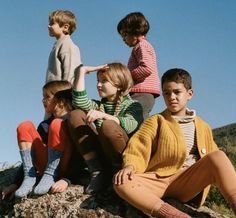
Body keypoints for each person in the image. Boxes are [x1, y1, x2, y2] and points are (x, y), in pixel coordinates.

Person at [113, 68, 236, 217]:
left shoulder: (204, 127)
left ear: (189, 94)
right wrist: (130, 166)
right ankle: (173, 215)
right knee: (122, 181)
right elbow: (137, 147)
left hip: (188, 183)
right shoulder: (156, 121)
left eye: (177, 92)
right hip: (158, 181)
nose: (172, 97)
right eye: (166, 93)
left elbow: (215, 164)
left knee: (218, 156)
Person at [68, 63, 144, 194]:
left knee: (108, 125)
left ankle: (116, 173)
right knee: (76, 115)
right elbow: (78, 101)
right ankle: (97, 171)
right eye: (98, 80)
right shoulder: (98, 105)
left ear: (119, 84)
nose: (98, 85)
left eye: (104, 81)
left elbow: (130, 124)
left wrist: (104, 116)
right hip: (102, 155)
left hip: (123, 155)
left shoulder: (133, 105)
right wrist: (81, 71)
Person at [11, 81, 74, 198]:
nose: (43, 100)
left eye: (47, 97)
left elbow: (80, 156)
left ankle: (52, 174)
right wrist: (16, 183)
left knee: (57, 124)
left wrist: (67, 179)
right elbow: (31, 154)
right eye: (43, 97)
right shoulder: (44, 125)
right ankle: (29, 177)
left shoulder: (74, 121)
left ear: (61, 100)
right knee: (25, 126)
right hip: (45, 169)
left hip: (65, 166)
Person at [117, 12, 161, 119]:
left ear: (134, 31)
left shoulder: (142, 46)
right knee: (136, 116)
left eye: (124, 35)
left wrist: (128, 77)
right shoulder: (141, 46)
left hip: (143, 91)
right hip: (143, 91)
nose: (123, 39)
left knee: (135, 118)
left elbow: (147, 68)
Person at [46, 10, 82, 84]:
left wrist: (65, 94)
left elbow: (71, 73)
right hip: (53, 93)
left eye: (52, 23)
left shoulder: (67, 45)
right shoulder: (58, 45)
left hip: (62, 93)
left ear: (65, 27)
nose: (48, 26)